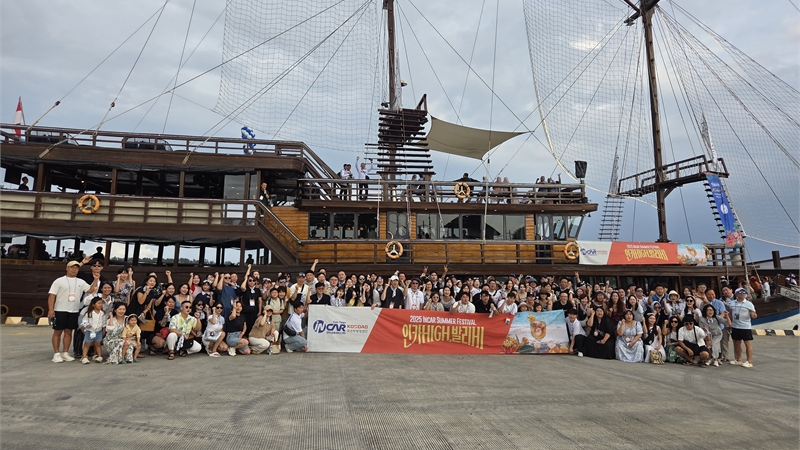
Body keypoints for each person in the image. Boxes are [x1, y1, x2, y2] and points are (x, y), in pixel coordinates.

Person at [48, 259, 97, 363]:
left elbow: (90, 290)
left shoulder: (80, 281)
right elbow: (52, 296)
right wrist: (51, 309)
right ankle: (56, 353)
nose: (74, 270)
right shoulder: (59, 281)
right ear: (67, 268)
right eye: (72, 267)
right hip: (60, 309)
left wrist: (96, 279)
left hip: (74, 310)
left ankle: (65, 353)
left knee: (68, 331)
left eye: (76, 268)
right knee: (58, 331)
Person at [728, 287, 757, 368]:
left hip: (745, 326)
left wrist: (753, 315)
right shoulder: (732, 303)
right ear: (736, 294)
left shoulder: (749, 304)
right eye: (740, 292)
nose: (742, 294)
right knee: (737, 343)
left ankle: (749, 361)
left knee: (747, 343)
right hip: (735, 326)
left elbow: (754, 314)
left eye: (744, 292)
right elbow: (730, 314)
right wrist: (729, 324)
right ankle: (739, 359)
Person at [80, 297, 106, 364]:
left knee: (98, 343)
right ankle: (84, 357)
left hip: (99, 331)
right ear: (93, 305)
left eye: (101, 303)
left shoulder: (102, 313)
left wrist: (104, 328)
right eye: (99, 303)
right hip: (90, 331)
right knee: (87, 344)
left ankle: (99, 356)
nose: (100, 305)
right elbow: (84, 321)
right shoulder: (89, 313)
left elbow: (103, 322)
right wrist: (87, 324)